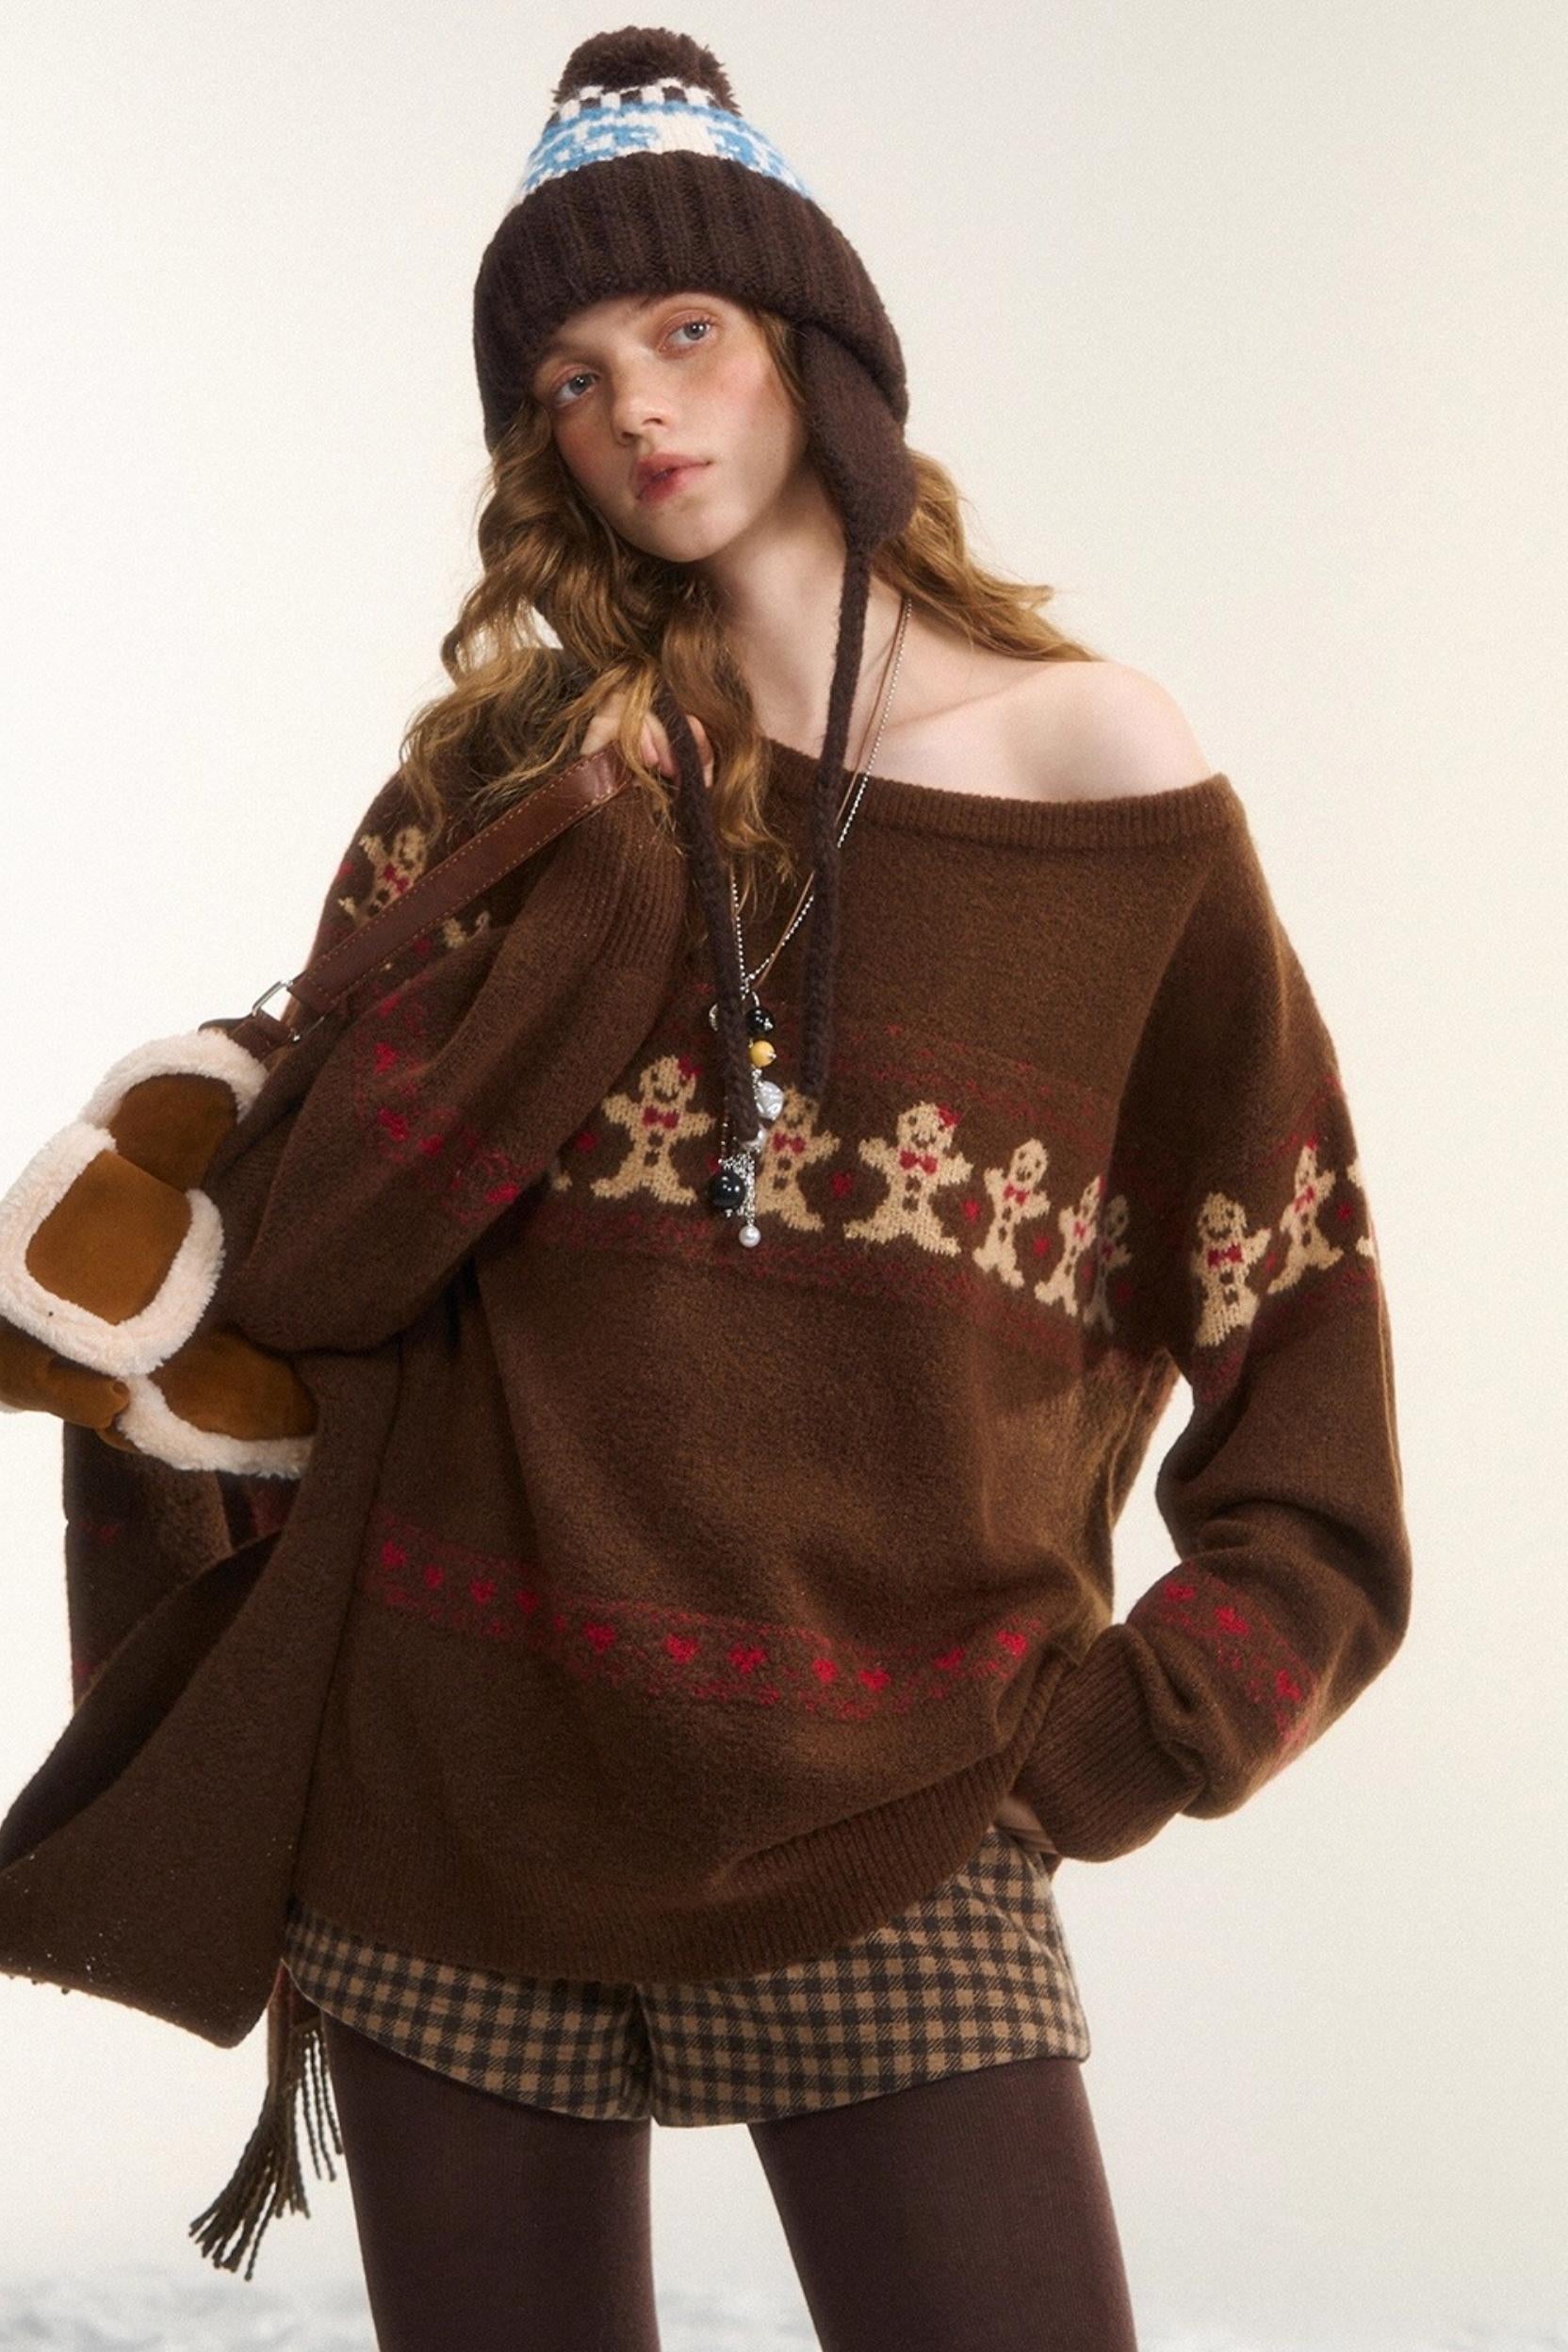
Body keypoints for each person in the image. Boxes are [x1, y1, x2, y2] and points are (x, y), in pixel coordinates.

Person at [0, 26, 1412, 2349]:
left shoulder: (1097, 775)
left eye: (685, 331)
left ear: (814, 350)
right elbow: (316, 1268)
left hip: (893, 1805)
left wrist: (1110, 1749)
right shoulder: (516, 790)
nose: (636, 409)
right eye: (568, 379)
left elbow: (1305, 1356)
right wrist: (597, 879)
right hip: (448, 1776)